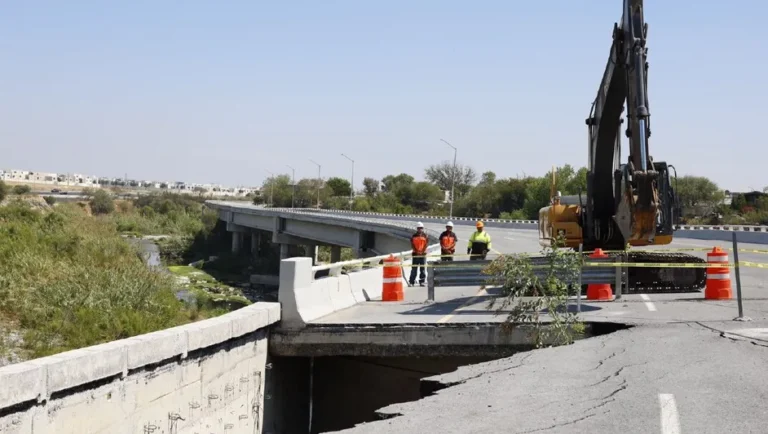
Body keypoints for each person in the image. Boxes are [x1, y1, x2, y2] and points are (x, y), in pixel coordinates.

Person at [409, 222, 429, 286]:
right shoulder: (413, 236)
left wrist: (422, 251)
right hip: (415, 254)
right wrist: (417, 251)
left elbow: (426, 244)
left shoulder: (425, 236)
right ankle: (412, 282)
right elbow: (412, 245)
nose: (420, 229)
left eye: (421, 228)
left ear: (422, 228)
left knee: (422, 269)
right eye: (419, 228)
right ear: (417, 229)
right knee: (414, 269)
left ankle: (422, 281)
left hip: (423, 254)